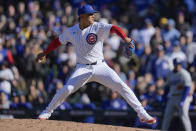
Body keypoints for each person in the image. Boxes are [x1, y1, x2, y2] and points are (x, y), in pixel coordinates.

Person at [36, 4, 156, 124]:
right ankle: (47, 111)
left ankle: (142, 113)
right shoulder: (71, 31)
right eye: (90, 14)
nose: (93, 16)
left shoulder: (98, 27)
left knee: (121, 85)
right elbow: (58, 41)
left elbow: (114, 28)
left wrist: (125, 38)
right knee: (67, 89)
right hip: (82, 68)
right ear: (82, 17)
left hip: (101, 67)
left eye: (93, 14)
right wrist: (45, 52)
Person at [161, 58, 193, 131]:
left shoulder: (184, 74)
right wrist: (164, 96)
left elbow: (187, 88)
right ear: (174, 65)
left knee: (184, 116)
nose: (178, 66)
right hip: (173, 97)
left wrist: (183, 100)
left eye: (179, 65)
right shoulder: (170, 74)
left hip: (183, 96)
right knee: (167, 116)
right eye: (176, 65)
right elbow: (167, 87)